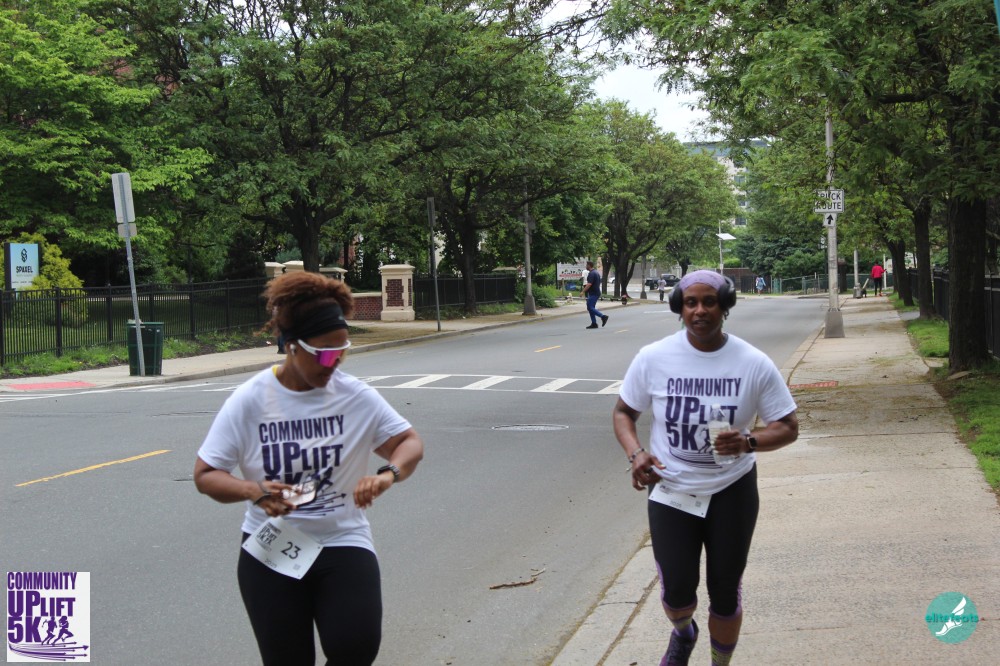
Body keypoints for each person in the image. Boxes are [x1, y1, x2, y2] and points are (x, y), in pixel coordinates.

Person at [194, 271, 424, 666]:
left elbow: (409, 443)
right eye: (325, 354)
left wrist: (389, 475)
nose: (334, 364)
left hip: (343, 539)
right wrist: (254, 491)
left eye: (342, 352)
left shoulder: (354, 397)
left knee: (356, 649)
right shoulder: (250, 400)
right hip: (273, 546)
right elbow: (205, 474)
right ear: (291, 346)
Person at [612, 270, 798, 666]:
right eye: (690, 303)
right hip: (672, 488)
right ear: (679, 309)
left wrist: (749, 442)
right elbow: (624, 412)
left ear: (724, 307)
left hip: (731, 489)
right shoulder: (654, 357)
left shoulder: (753, 363)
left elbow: (787, 426)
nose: (699, 311)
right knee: (676, 592)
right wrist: (636, 453)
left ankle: (719, 662)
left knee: (725, 592)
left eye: (709, 302)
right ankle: (684, 632)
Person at [581, 260, 608, 329]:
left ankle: (603, 316)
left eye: (586, 265)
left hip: (594, 293)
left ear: (589, 265)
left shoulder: (592, 273)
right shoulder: (596, 272)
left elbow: (589, 284)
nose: (586, 266)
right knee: (591, 308)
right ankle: (594, 323)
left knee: (590, 307)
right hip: (594, 292)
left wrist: (583, 291)